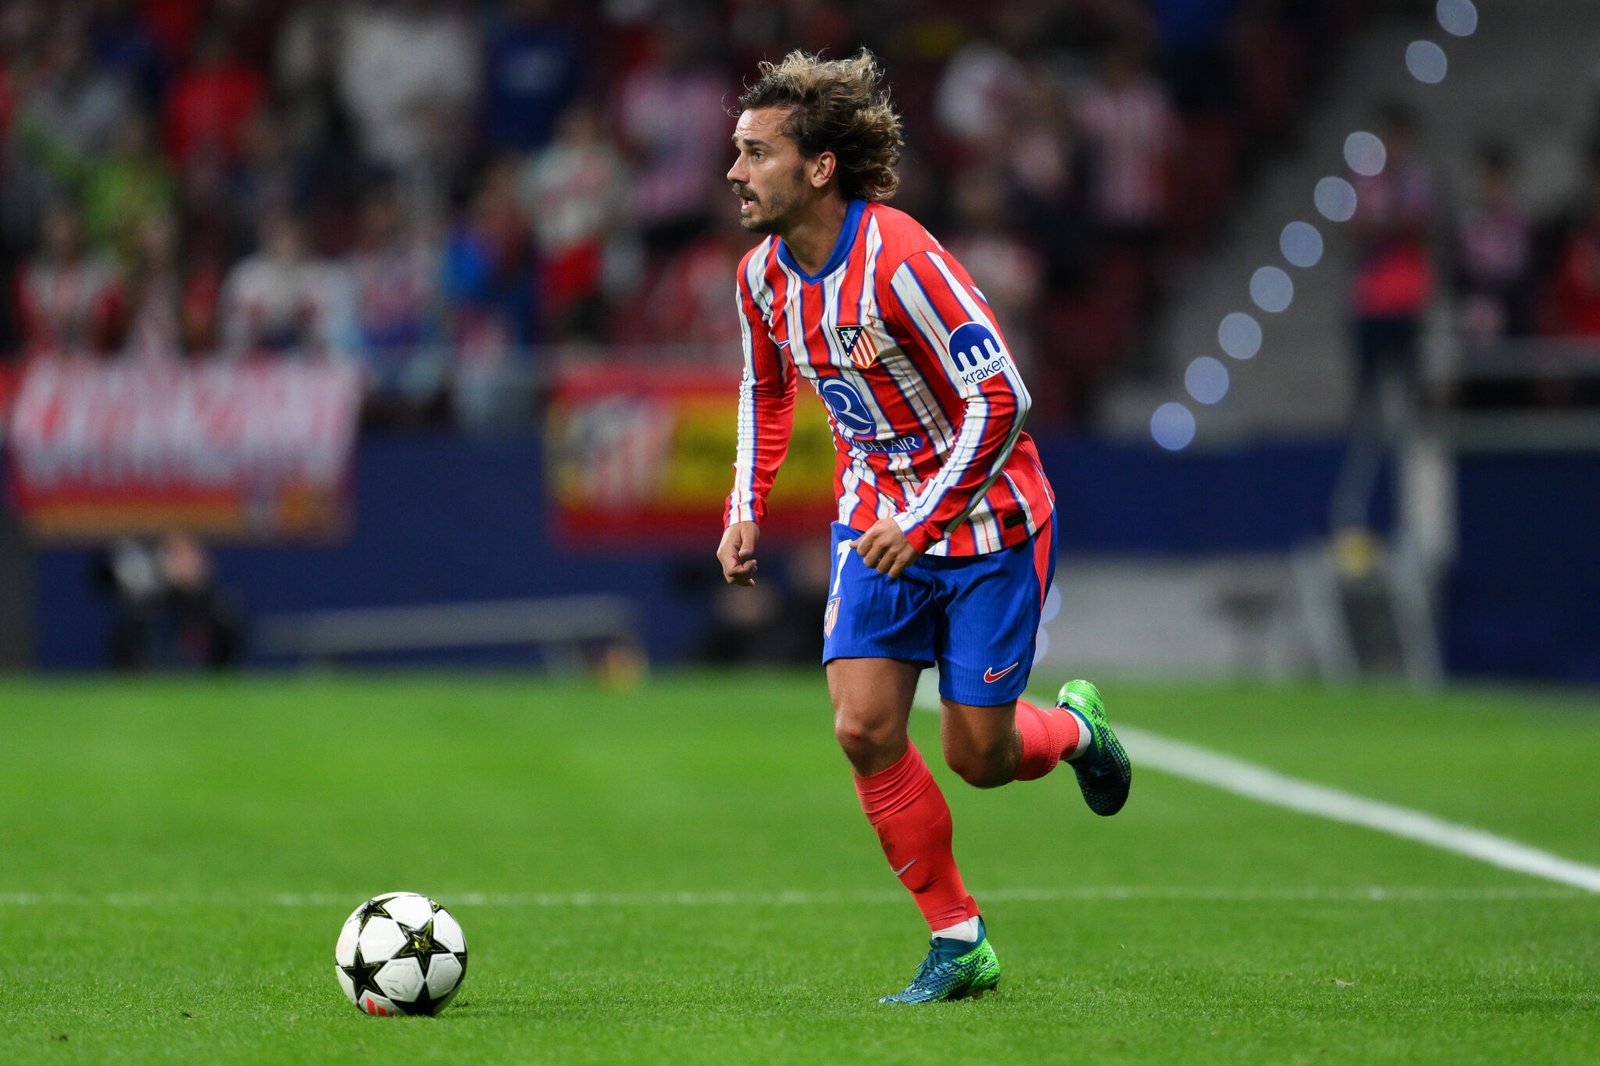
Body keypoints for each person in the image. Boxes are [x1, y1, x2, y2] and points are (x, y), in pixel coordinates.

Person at [714, 50, 1132, 1005]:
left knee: (978, 758)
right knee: (862, 728)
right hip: (875, 528)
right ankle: (959, 939)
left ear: (819, 167)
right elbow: (766, 389)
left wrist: (928, 515)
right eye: (735, 153)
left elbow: (1004, 396)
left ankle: (1074, 730)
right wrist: (746, 506)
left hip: (987, 527)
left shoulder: (900, 257)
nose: (734, 174)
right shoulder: (760, 280)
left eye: (754, 153)